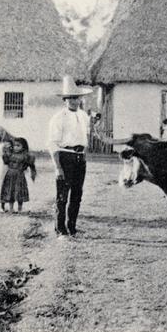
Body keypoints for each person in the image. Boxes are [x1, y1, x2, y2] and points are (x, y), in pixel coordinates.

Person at [48, 75, 92, 239]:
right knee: (62, 196)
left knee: (77, 195)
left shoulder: (83, 116)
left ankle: (71, 227)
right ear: (64, 100)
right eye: (71, 98)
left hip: (80, 158)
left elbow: (84, 138)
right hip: (65, 157)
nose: (74, 101)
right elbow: (52, 144)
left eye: (77, 98)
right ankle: (60, 230)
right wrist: (58, 167)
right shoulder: (58, 118)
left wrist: (83, 155)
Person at [1, 137, 36, 213]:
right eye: (14, 146)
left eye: (18, 145)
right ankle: (11, 208)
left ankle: (20, 208)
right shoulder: (10, 154)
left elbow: (29, 164)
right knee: (10, 190)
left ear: (23, 146)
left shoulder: (25, 155)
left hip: (19, 175)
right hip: (10, 174)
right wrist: (5, 153)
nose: (15, 147)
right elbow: (5, 161)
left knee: (19, 191)